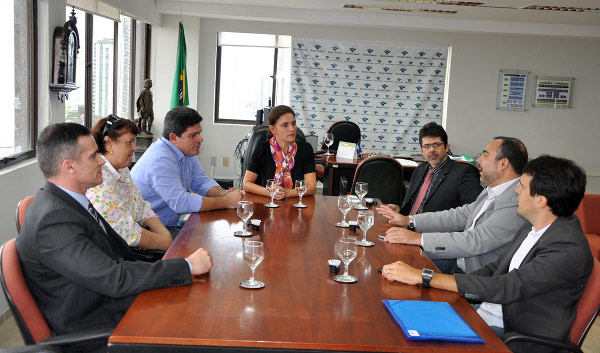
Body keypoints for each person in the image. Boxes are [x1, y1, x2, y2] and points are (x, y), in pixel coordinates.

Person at [16, 123, 213, 353]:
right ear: (69, 167)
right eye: (93, 156)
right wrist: (185, 266)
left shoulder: (71, 201)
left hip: (111, 304)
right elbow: (114, 279)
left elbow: (119, 256)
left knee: (196, 304)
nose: (101, 160)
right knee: (200, 329)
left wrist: (169, 266)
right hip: (98, 329)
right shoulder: (54, 220)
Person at [382, 155, 593, 353]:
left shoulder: (567, 247)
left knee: (410, 341)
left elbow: (505, 287)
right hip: (486, 314)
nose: (517, 191)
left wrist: (425, 277)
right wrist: (434, 280)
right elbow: (493, 269)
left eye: (522, 186)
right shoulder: (533, 227)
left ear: (541, 201)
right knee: (404, 318)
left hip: (516, 336)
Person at [377, 137, 529, 274]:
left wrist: (418, 238)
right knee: (391, 261)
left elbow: (474, 241)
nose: (479, 160)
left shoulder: (515, 201)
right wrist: (409, 220)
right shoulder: (492, 190)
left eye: (485, 155)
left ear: (503, 164)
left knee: (399, 273)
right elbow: (459, 215)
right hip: (459, 260)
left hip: (474, 275)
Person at [131, 106, 245, 237]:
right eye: (193, 135)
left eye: (199, 133)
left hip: (170, 224)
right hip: (151, 232)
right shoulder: (160, 159)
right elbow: (181, 202)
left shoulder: (187, 152)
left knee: (215, 234)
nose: (200, 139)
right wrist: (226, 202)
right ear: (173, 138)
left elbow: (201, 182)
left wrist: (225, 194)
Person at [86, 115, 172, 251]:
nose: (135, 148)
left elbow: (142, 208)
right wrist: (169, 244)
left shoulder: (122, 169)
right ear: (108, 143)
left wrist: (167, 237)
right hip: (117, 255)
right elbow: (129, 232)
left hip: (136, 246)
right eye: (129, 142)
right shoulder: (99, 180)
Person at [387, 122, 482, 215]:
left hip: (430, 229)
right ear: (422, 150)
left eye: (436, 145)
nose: (431, 150)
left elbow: (475, 210)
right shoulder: (421, 168)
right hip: (405, 222)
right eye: (427, 146)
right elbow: (414, 202)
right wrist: (399, 208)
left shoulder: (463, 173)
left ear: (447, 147)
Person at [242, 105, 317, 199]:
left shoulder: (305, 149)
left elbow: (311, 187)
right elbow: (246, 184)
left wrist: (285, 193)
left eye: (293, 123)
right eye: (285, 125)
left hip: (295, 204)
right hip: (267, 205)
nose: (292, 129)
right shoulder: (263, 148)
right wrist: (270, 192)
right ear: (273, 129)